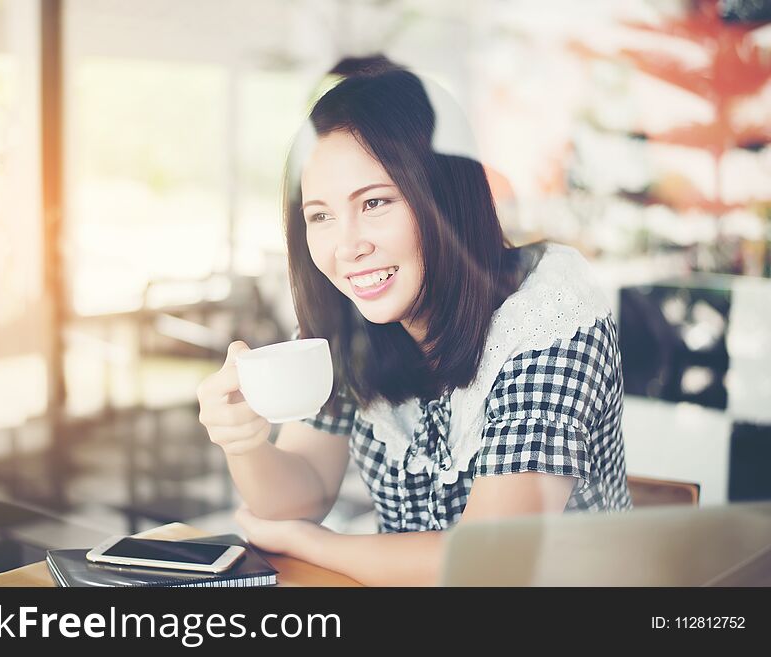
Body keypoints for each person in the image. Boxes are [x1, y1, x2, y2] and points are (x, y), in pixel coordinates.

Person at [196, 55, 631, 586]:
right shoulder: (351, 317)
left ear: (444, 198)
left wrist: (314, 544)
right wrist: (242, 440)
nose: (348, 246)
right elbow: (302, 491)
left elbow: (491, 564)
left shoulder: (550, 316)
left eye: (375, 202)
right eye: (321, 216)